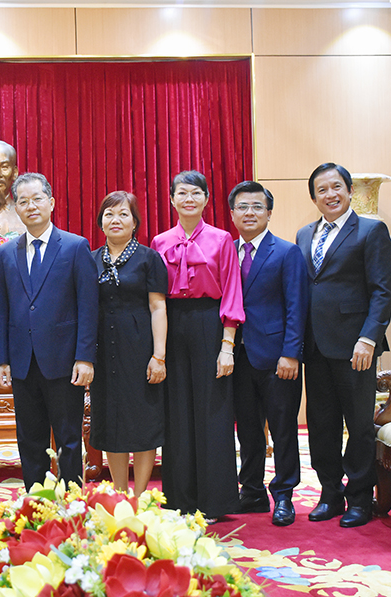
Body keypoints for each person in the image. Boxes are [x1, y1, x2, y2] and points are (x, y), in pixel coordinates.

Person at [296, 163, 391, 528]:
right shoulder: (304, 235)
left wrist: (368, 338)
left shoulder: (371, 230)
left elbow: (382, 291)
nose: (330, 195)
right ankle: (330, 494)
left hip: (356, 347)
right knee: (321, 425)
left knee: (358, 425)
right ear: (314, 197)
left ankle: (360, 500)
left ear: (350, 191)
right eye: (322, 190)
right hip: (316, 346)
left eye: (336, 187)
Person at [0, 172, 98, 489]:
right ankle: (35, 503)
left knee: (68, 440)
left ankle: (73, 505)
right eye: (23, 201)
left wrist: (85, 357)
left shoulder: (75, 246)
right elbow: (2, 310)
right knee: (29, 440)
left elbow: (88, 306)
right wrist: (2, 360)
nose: (31, 206)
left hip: (65, 361)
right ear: (16, 208)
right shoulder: (7, 253)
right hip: (23, 363)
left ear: (51, 202)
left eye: (37, 198)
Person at [150, 170, 244, 520]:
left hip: (210, 324)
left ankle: (216, 501)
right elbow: (155, 299)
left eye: (196, 193)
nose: (188, 199)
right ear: (172, 199)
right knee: (176, 413)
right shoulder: (159, 242)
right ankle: (179, 498)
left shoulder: (222, 240)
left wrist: (227, 346)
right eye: (181, 193)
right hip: (172, 326)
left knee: (213, 413)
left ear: (206, 199)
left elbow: (232, 294)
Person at [228, 181, 308, 526]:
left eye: (257, 207)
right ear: (232, 214)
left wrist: (291, 353)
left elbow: (296, 306)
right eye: (243, 207)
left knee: (283, 428)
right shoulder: (226, 251)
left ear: (269, 213)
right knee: (247, 428)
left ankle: (285, 494)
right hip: (238, 358)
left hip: (278, 358)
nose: (250, 213)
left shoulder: (287, 252)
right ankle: (252, 493)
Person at [89, 191, 168, 494]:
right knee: (112, 424)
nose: (115, 220)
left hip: (140, 350)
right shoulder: (91, 258)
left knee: (143, 422)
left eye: (123, 214)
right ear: (101, 222)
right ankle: (121, 493)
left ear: (135, 222)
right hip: (104, 350)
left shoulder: (149, 258)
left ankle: (140, 496)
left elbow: (158, 307)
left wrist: (158, 356)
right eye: (109, 214)